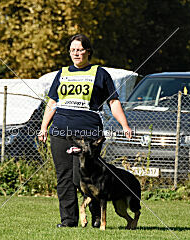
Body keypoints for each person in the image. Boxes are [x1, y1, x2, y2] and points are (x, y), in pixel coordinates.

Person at [38, 34, 132, 228]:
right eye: (72, 50)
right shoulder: (62, 73)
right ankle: (68, 221)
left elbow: (113, 101)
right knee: (64, 178)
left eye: (79, 50)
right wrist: (43, 127)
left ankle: (97, 217)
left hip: (89, 135)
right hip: (60, 132)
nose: (76, 53)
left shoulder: (100, 73)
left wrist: (125, 125)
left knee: (86, 176)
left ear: (88, 51)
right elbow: (53, 102)